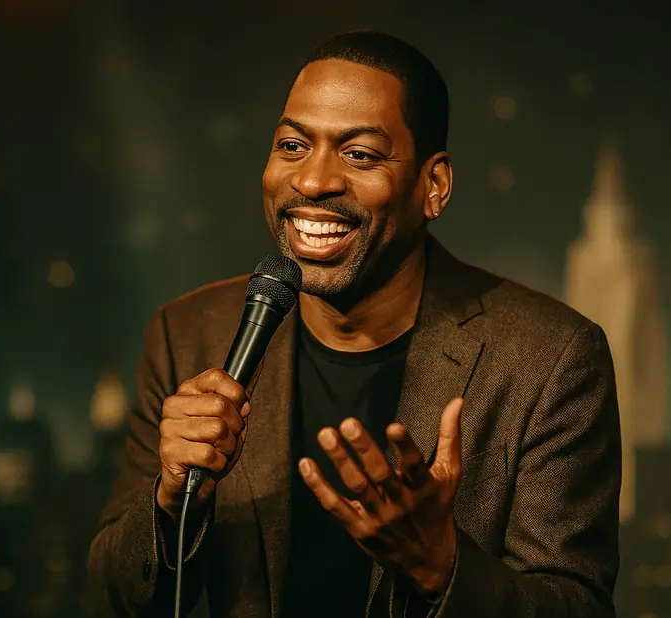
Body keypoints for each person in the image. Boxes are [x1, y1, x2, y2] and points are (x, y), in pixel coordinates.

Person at [88, 30, 621, 618]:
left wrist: (442, 568)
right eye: (292, 146)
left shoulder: (551, 357)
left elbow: (578, 607)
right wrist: (169, 500)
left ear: (433, 185)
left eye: (359, 154)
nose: (314, 181)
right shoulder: (187, 334)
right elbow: (116, 598)